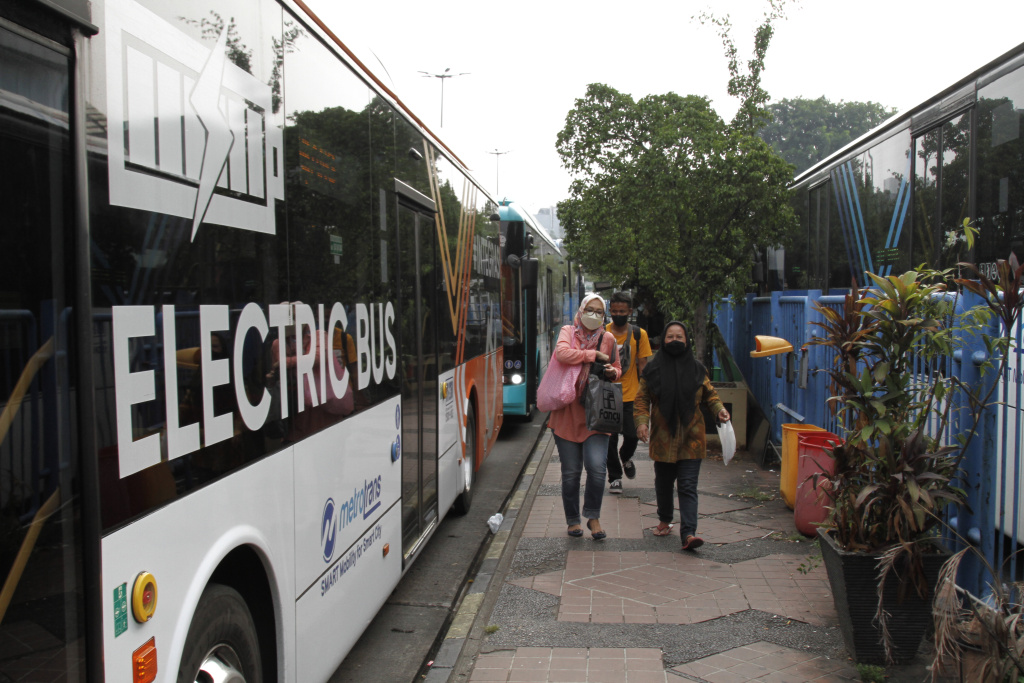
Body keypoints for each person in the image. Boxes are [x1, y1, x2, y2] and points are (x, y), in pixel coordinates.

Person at [635, 321, 730, 551]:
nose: (675, 341)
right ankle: (665, 519)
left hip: (691, 438)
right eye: (670, 337)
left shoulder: (697, 370)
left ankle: (688, 534)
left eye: (679, 337)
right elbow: (642, 399)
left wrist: (719, 410)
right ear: (663, 340)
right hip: (663, 438)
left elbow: (710, 395)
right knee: (664, 483)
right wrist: (641, 423)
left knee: (687, 486)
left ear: (687, 341)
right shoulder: (652, 370)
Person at [548, 293, 621, 540]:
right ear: (580, 311)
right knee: (571, 473)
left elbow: (618, 368)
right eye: (590, 309)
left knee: (597, 468)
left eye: (599, 312)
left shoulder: (608, 338)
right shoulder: (568, 332)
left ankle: (593, 516)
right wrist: (592, 356)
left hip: (597, 413)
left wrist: (612, 372)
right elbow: (562, 354)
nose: (594, 315)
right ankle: (572, 520)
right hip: (567, 413)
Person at [604, 291, 653, 494]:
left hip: (631, 395)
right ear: (610, 311)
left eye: (622, 311)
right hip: (607, 394)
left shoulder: (639, 335)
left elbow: (643, 365)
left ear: (630, 311)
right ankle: (615, 477)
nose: (618, 315)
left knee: (632, 436)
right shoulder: (602, 332)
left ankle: (625, 457)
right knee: (609, 439)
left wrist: (647, 394)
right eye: (614, 311)